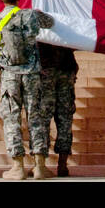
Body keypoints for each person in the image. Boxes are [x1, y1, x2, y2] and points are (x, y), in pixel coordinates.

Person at [0, 0, 55, 180]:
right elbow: (50, 23)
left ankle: (17, 167)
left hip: (9, 76)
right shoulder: (30, 15)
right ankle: (40, 166)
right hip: (32, 74)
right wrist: (37, 12)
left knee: (11, 119)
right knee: (36, 117)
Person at [38, 43, 79, 177]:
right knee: (65, 119)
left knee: (43, 118)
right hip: (65, 68)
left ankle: (40, 163)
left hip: (46, 68)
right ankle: (62, 164)